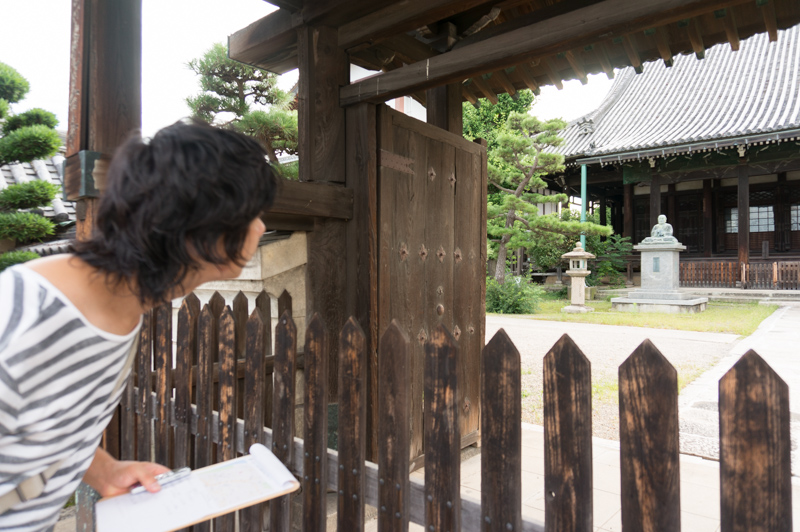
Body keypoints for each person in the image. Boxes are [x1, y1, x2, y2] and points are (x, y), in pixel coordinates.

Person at [0, 120, 278, 531]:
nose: (261, 227)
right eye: (254, 214)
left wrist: (105, 471)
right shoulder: (25, 312)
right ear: (207, 229)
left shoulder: (125, 302)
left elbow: (45, 427)